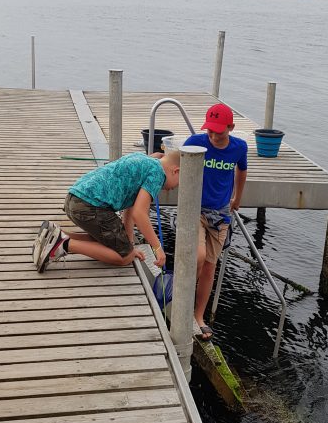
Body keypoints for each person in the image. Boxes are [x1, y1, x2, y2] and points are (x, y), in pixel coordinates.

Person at [33, 150, 181, 273]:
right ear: (176, 171)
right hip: (91, 207)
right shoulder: (158, 174)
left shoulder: (144, 160)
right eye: (178, 183)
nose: (174, 188)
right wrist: (157, 247)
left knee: (111, 242)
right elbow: (139, 213)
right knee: (125, 258)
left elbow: (130, 208)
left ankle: (55, 235)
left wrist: (128, 241)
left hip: (75, 200)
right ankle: (64, 244)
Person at [183, 103, 248, 340]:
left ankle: (197, 316)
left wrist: (237, 198)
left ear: (231, 127)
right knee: (198, 256)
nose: (212, 136)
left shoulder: (239, 147)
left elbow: (242, 171)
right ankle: (180, 303)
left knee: (210, 265)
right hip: (194, 210)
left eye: (218, 131)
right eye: (209, 130)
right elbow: (174, 159)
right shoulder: (195, 142)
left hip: (220, 214)